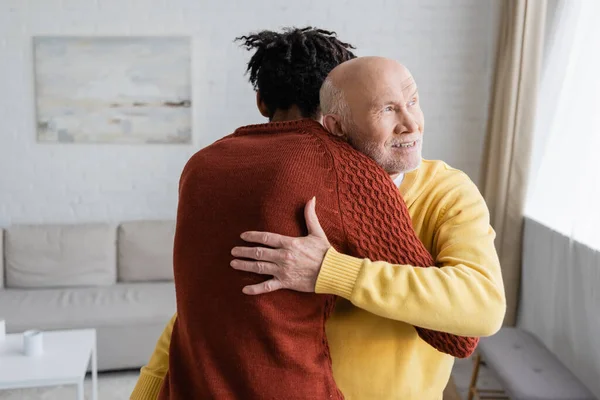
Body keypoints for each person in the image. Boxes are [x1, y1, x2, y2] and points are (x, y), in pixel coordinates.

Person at [132, 30, 505, 400]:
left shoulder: (447, 192)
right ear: (334, 118)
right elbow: (206, 307)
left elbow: (480, 312)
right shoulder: (286, 181)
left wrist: (331, 271)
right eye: (387, 108)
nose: (411, 123)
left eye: (412, 102)